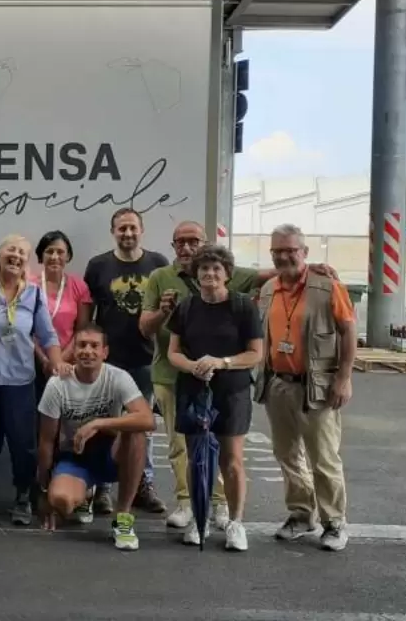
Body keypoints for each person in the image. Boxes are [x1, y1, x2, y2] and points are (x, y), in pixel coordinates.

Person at [140, 220, 337, 531]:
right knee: (185, 449)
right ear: (173, 246)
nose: (188, 248)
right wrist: (166, 314)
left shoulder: (239, 295)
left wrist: (311, 265)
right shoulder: (160, 278)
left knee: (228, 452)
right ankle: (189, 505)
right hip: (174, 377)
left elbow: (276, 271)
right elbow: (147, 328)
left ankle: (223, 508)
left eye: (195, 241)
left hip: (232, 384)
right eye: (181, 242)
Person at [255, 224, 355, 552]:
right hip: (279, 384)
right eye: (277, 251)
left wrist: (343, 378)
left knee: (323, 457)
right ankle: (300, 514)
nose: (284, 256)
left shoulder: (328, 287)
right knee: (286, 454)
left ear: (305, 252)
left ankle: (334, 522)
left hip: (318, 386)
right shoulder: (269, 288)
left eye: (291, 250)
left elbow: (348, 331)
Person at [0, 234, 66, 526]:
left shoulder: (33, 295)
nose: (16, 255)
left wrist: (56, 364)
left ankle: (22, 495)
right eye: (11, 249)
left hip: (20, 382)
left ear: (27, 262)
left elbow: (47, 336)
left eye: (22, 252)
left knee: (23, 444)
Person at [167, 244, 264, 551]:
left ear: (227, 275)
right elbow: (173, 352)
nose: (210, 274)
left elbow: (255, 354)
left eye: (216, 269)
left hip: (232, 391)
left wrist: (222, 362)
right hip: (195, 390)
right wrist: (194, 366)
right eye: (204, 269)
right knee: (198, 460)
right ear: (195, 275)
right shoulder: (186, 307)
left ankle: (236, 523)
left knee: (231, 460)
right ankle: (199, 519)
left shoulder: (242, 306)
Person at [83, 207, 169, 516]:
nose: (128, 234)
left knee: (143, 428)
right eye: (122, 229)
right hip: (109, 361)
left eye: (133, 228)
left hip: (146, 360)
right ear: (113, 232)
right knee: (109, 424)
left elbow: (166, 315)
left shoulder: (158, 264)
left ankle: (143, 485)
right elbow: (88, 317)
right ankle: (104, 487)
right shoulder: (98, 266)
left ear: (141, 230)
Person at [37, 324, 154, 551]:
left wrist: (99, 423)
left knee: (136, 431)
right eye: (82, 345)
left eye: (94, 346)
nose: (87, 351)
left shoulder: (118, 377)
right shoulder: (57, 385)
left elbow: (147, 419)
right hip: (75, 456)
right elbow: (46, 441)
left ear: (104, 352)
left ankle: (123, 519)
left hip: (111, 454)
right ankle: (85, 496)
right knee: (61, 501)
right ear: (74, 351)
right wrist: (43, 492)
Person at [33, 229, 93, 390]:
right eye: (49, 251)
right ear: (41, 255)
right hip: (32, 361)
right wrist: (45, 361)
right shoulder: (29, 286)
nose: (54, 257)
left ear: (68, 256)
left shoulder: (79, 286)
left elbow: (82, 329)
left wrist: (60, 360)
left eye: (60, 252)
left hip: (68, 363)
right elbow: (25, 329)